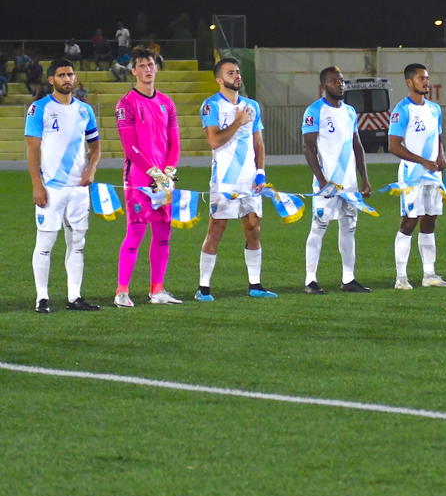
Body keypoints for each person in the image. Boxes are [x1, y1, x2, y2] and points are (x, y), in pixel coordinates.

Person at [195, 57, 277, 301]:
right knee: (216, 229)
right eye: (231, 73)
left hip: (250, 180)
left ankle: (255, 285)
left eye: (238, 72)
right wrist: (237, 122)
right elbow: (214, 141)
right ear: (220, 80)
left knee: (253, 228)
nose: (237, 76)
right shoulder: (211, 106)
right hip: (224, 181)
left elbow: (258, 142)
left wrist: (261, 171)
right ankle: (204, 288)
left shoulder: (252, 105)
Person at [25, 59, 102, 313]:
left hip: (78, 189)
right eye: (61, 75)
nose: (67, 79)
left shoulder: (85, 110)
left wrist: (91, 169)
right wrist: (37, 185)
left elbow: (95, 145)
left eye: (70, 74)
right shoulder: (40, 109)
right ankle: (42, 298)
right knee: (45, 243)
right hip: (52, 188)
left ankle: (74, 297)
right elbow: (32, 149)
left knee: (77, 243)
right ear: (51, 80)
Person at [113, 47, 181, 306]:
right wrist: (155, 173)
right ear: (133, 71)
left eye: (151, 64)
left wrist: (169, 173)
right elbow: (130, 147)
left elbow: (174, 143)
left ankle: (157, 290)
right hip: (139, 180)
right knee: (135, 234)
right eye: (141, 65)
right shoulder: (126, 103)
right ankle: (122, 291)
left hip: (164, 180)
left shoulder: (167, 103)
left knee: (164, 234)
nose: (147, 69)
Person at [302, 66, 373, 294]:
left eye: (342, 80)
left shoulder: (350, 111)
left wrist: (365, 179)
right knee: (319, 227)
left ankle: (349, 279)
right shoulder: (315, 111)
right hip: (328, 184)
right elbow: (309, 148)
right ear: (324, 86)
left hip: (349, 184)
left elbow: (357, 145)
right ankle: (310, 280)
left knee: (349, 227)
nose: (340, 84)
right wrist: (321, 181)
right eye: (334, 81)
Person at [387, 63, 446, 289]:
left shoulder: (435, 109)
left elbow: (438, 136)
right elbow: (393, 146)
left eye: (427, 78)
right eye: (421, 78)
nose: (426, 82)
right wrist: (423, 161)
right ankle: (401, 277)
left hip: (433, 176)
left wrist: (441, 155)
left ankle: (429, 275)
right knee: (409, 222)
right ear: (409, 82)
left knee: (430, 221)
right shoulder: (402, 110)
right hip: (412, 176)